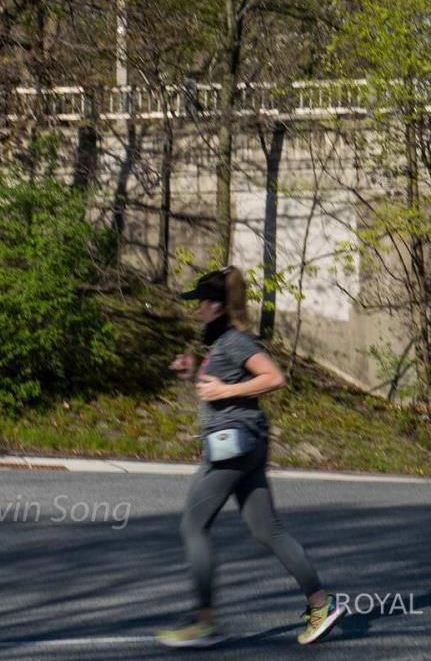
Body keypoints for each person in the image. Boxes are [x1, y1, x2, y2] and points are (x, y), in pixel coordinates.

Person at [156, 266, 344, 648]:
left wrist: (225, 390)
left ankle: (205, 620)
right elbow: (219, 387)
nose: (196, 311)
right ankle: (321, 604)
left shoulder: (234, 341)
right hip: (246, 442)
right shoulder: (220, 343)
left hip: (232, 446)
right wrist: (193, 374)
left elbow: (273, 378)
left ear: (215, 305)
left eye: (200, 304)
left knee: (194, 525)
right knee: (266, 529)